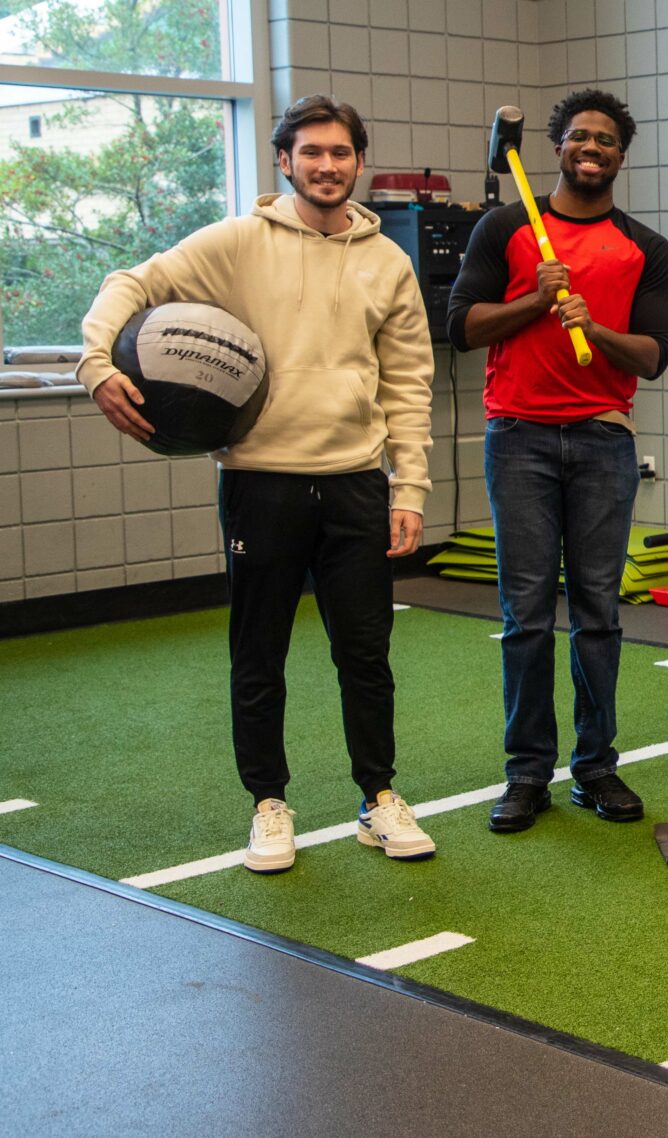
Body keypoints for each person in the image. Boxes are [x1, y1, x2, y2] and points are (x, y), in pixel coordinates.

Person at [76, 95, 437, 872]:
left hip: (356, 484)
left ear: (358, 161)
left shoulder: (388, 262)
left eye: (340, 153)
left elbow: (409, 382)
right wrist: (96, 364)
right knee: (259, 654)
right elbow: (130, 281)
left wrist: (409, 488)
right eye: (312, 153)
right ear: (284, 161)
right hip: (261, 485)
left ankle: (378, 798)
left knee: (366, 655)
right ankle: (268, 804)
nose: (327, 166)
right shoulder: (238, 242)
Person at [447, 89, 668, 833]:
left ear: (620, 156)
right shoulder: (506, 227)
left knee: (598, 614)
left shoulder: (644, 247)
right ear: (556, 148)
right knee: (525, 616)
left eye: (606, 140)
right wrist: (535, 302)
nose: (592, 148)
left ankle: (596, 766)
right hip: (518, 439)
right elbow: (462, 326)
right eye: (580, 136)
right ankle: (526, 774)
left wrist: (594, 327)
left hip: (605, 440)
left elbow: (653, 356)